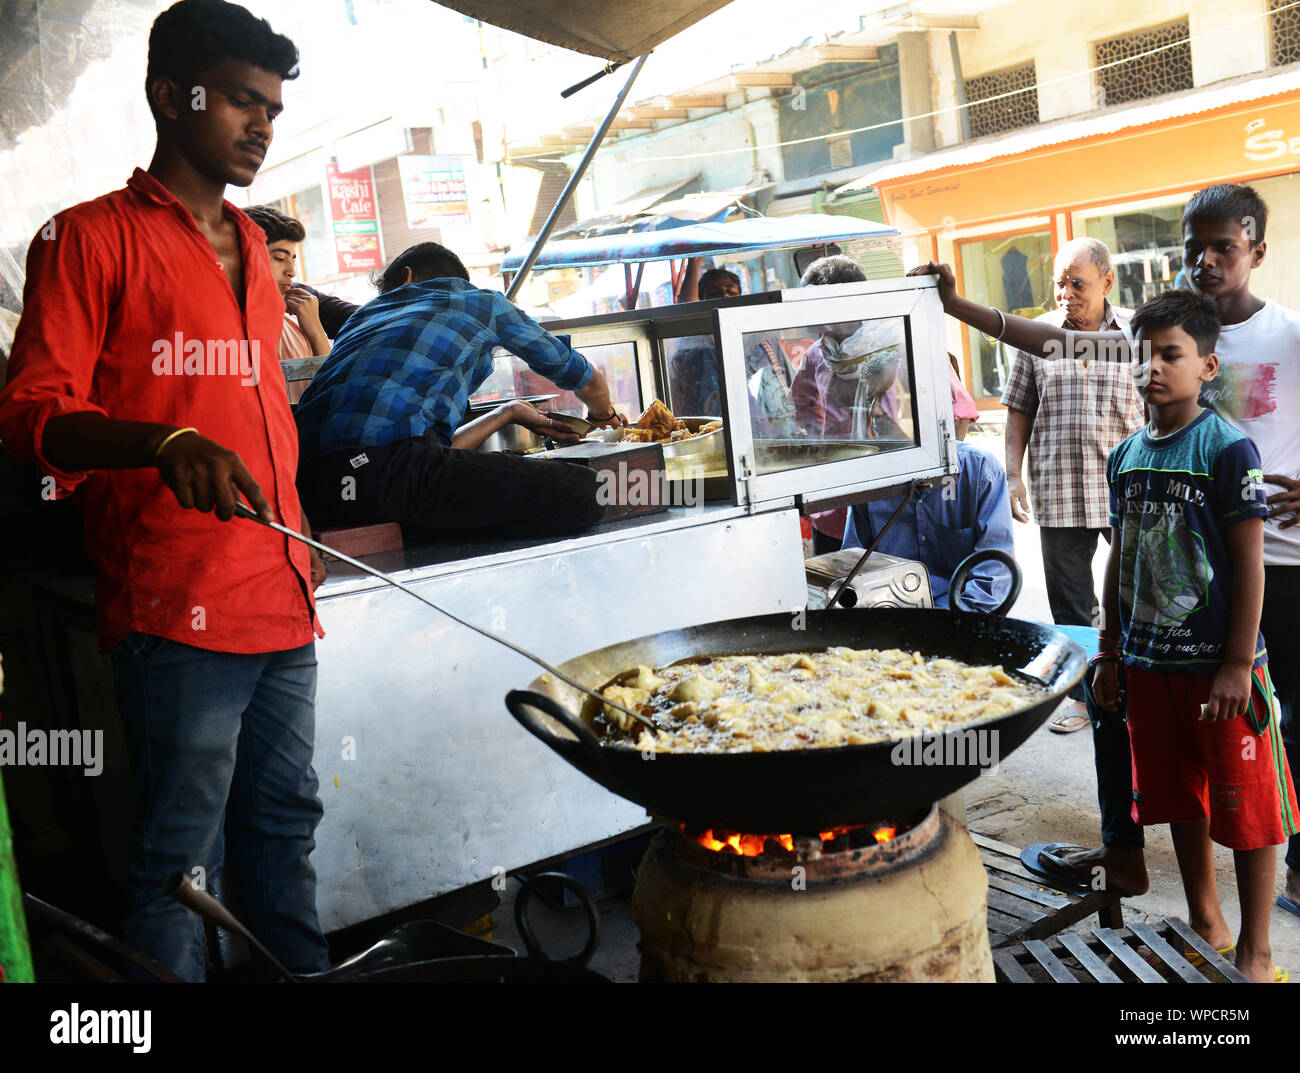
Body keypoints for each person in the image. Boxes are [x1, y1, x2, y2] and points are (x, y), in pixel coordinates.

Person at [0, 0, 330, 981]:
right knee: (180, 860)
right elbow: (28, 412)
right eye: (238, 100)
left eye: (271, 106)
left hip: (283, 591)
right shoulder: (86, 240)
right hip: (178, 606)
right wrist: (161, 439)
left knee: (284, 830)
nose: (261, 124)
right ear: (169, 95)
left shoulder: (259, 264)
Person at [910, 182, 1300, 907]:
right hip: (1167, 575)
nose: (1207, 261)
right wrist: (955, 305)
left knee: (1270, 729)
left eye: (1225, 247)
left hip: (1275, 562)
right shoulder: (1157, 332)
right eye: (1195, 248)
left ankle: (1282, 882)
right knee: (1121, 705)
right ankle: (1125, 853)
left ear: (1257, 251)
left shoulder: (1288, 332)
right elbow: (1052, 342)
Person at [1092, 289, 1295, 982]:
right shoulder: (1124, 455)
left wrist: (1239, 663)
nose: (1152, 367)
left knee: (1247, 805)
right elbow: (1120, 554)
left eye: (1170, 354)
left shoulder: (1229, 449)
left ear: (1207, 365)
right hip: (1150, 667)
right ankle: (1205, 916)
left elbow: (1248, 558)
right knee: (1179, 795)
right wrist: (1109, 649)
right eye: (1141, 354)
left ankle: (1258, 945)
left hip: (1220, 669)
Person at [293, 242, 624, 536]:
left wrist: (507, 412)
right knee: (590, 490)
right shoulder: (479, 304)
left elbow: (421, 455)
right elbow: (582, 377)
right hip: (380, 475)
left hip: (308, 487)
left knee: (474, 485)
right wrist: (604, 417)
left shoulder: (361, 320)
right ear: (406, 277)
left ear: (406, 276)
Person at [1000, 238, 1143, 732]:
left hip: (1127, 488)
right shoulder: (1036, 336)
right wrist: (1012, 474)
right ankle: (1084, 698)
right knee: (1071, 603)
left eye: (1076, 283)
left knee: (1140, 592)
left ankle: (1140, 686)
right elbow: (1019, 406)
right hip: (1060, 487)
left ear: (1106, 282)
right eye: (1059, 282)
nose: (1065, 292)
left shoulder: (1138, 334)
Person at [841, 385, 1015, 614]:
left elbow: (994, 572)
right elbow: (853, 567)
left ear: (924, 406)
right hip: (892, 620)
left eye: (887, 399)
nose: (875, 412)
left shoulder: (979, 470)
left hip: (963, 619)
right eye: (872, 400)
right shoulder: (870, 478)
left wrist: (953, 620)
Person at [244, 204, 330, 359]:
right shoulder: (230, 330)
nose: (291, 272)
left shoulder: (298, 323)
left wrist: (316, 331)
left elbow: (331, 380)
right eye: (280, 258)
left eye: (293, 260)